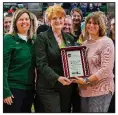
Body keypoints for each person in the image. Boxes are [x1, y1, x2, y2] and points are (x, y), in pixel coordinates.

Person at [35, 4, 75, 112]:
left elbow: (74, 61)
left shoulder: (70, 38)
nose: (58, 20)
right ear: (49, 21)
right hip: (48, 86)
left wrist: (76, 75)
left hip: (66, 86)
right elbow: (41, 64)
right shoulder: (42, 38)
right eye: (54, 18)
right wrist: (58, 78)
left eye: (60, 18)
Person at [73, 12, 115, 112]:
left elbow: (106, 70)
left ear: (101, 26)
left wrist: (86, 80)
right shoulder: (85, 44)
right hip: (84, 90)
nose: (91, 25)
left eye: (95, 23)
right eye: (89, 22)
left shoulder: (106, 42)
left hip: (101, 90)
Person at [3, 8, 37, 113]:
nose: (24, 22)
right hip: (13, 89)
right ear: (15, 22)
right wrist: (5, 91)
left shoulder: (33, 40)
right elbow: (2, 67)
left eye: (27, 19)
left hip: (29, 89)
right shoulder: (8, 39)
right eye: (21, 19)